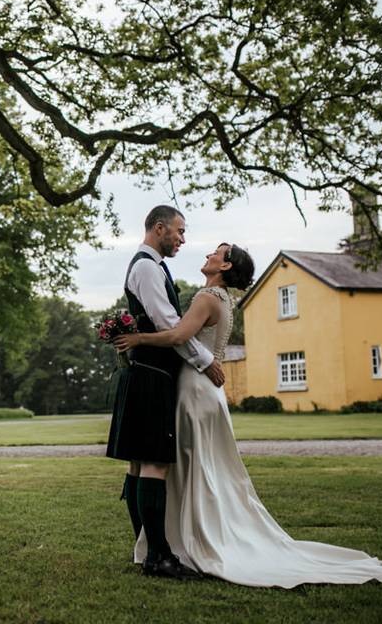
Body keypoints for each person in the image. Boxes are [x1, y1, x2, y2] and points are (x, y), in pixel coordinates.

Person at [113, 243, 382, 588]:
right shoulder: (223, 299)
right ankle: (184, 540)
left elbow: (177, 336)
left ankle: (194, 541)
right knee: (205, 466)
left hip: (195, 389)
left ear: (226, 264)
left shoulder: (207, 298)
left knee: (196, 465)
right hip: (208, 391)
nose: (207, 256)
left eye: (215, 253)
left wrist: (136, 337)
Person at [105, 204, 225, 580]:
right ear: (159, 229)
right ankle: (158, 556)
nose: (183, 239)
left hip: (145, 372)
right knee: (152, 462)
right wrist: (206, 361)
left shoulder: (151, 265)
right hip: (151, 374)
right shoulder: (145, 266)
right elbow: (170, 326)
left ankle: (146, 550)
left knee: (139, 462)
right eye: (179, 231)